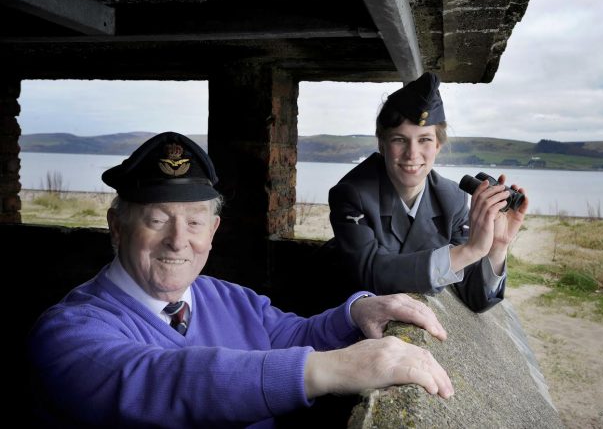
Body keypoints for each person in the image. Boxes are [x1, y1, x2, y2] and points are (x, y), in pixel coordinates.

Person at [27, 132, 453, 428]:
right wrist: (328, 369)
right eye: (157, 220)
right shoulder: (67, 334)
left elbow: (296, 333)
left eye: (195, 222)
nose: (179, 241)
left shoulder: (227, 297)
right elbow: (164, 379)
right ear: (116, 228)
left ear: (212, 233)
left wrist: (358, 309)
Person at [326, 72, 529, 312]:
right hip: (339, 321)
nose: (412, 154)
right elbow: (371, 274)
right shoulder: (351, 194)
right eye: (400, 140)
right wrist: (470, 250)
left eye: (424, 140)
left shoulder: (451, 198)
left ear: (438, 146)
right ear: (382, 144)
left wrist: (497, 246)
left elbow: (474, 297)